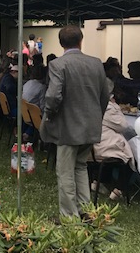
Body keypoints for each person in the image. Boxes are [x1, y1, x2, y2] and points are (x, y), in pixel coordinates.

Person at [40, 25, 110, 219]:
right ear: (81, 40)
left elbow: (53, 96)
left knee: (65, 172)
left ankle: (69, 217)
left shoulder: (58, 64)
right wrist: (96, 116)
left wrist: (49, 114)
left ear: (61, 43)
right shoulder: (96, 63)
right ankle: (85, 212)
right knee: (80, 167)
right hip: (91, 125)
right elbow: (105, 95)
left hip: (67, 127)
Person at [92, 95, 135, 201]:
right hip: (102, 146)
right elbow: (123, 125)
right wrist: (116, 107)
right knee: (129, 155)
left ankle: (98, 181)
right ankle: (118, 190)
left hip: (93, 146)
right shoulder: (108, 108)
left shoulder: (92, 103)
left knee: (115, 152)